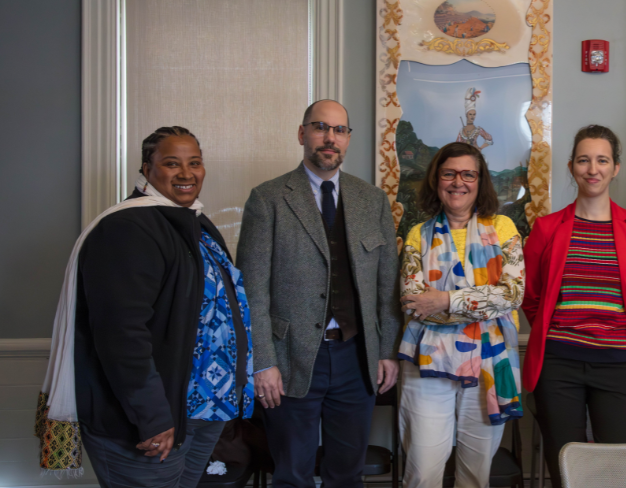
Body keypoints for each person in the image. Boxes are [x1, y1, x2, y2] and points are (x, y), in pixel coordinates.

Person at [37, 127, 254, 486]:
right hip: (152, 422)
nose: (186, 173)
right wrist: (152, 418)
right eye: (172, 163)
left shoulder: (195, 224)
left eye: (194, 163)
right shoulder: (128, 227)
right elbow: (122, 335)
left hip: (203, 412)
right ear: (146, 168)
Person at [237, 100, 401, 488]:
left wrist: (387, 351)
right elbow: (251, 291)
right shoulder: (269, 199)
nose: (330, 138)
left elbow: (386, 286)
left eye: (339, 130)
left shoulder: (371, 200)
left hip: (356, 358)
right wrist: (263, 362)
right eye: (320, 127)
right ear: (302, 134)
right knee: (292, 474)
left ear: (348, 140)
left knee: (347, 474)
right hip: (290, 359)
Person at [522, 125, 626, 485]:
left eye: (602, 160)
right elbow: (531, 297)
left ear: (615, 168)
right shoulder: (547, 228)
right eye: (584, 160)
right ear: (571, 167)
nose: (592, 169)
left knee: (619, 472)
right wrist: (559, 334)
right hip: (558, 365)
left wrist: (617, 340)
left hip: (618, 364)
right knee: (567, 469)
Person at [397, 142, 524, 488]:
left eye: (468, 174)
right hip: (427, 365)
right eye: (449, 173)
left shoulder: (503, 229)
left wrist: (444, 301)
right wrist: (482, 304)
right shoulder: (417, 235)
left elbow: (512, 295)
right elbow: (413, 304)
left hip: (488, 364)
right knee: (422, 473)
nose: (458, 182)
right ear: (437, 180)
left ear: (480, 181)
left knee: (475, 475)